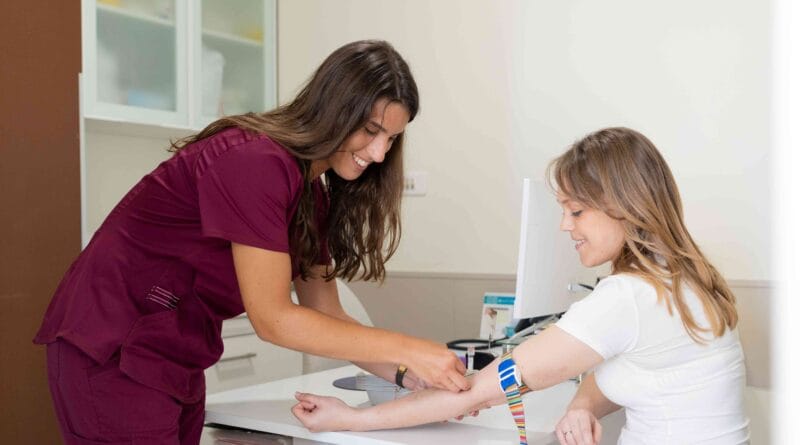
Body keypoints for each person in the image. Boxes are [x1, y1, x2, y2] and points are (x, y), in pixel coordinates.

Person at [34, 39, 469, 445]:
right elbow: (273, 319)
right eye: (371, 130)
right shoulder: (254, 161)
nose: (378, 154)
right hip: (111, 345)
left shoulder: (311, 195)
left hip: (175, 355)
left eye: (391, 138)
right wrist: (409, 349)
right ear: (336, 107)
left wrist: (408, 374)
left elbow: (326, 312)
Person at [292, 127, 750, 445]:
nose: (565, 226)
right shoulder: (683, 280)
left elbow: (480, 391)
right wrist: (582, 406)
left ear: (625, 207)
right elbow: (629, 372)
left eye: (576, 211)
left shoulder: (627, 297)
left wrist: (352, 419)